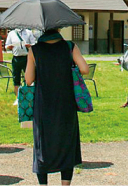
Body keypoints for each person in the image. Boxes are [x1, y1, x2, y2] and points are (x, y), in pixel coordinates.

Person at [26, 28, 89, 185]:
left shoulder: (34, 49)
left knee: (43, 144)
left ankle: (43, 183)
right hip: (66, 102)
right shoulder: (69, 46)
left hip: (43, 103)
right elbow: (85, 69)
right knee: (66, 142)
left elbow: (28, 80)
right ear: (59, 28)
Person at [5, 28, 36, 105]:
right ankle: (17, 98)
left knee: (28, 77)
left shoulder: (28, 32)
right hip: (16, 58)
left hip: (26, 57)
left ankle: (29, 96)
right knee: (16, 78)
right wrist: (10, 47)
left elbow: (34, 44)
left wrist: (29, 45)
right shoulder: (11, 33)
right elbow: (6, 46)